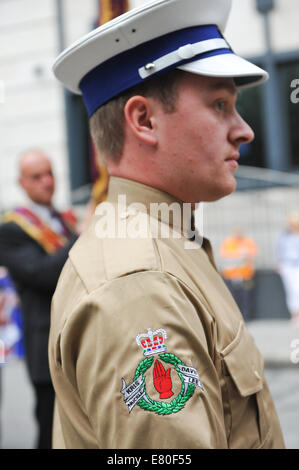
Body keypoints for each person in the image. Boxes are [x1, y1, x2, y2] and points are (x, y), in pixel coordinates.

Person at [49, 0, 285, 449]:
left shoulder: (163, 242)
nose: (245, 130)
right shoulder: (140, 284)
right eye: (220, 104)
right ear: (144, 120)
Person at [0, 149, 78, 449]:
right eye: (37, 176)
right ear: (22, 182)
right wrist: (82, 237)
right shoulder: (10, 229)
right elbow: (42, 274)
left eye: (50, 174)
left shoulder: (63, 219)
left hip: (75, 339)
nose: (47, 182)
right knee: (51, 432)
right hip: (45, 343)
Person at [220, 227, 258, 321]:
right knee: (233, 297)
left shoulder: (248, 242)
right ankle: (235, 318)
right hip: (231, 275)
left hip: (245, 275)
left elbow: (252, 254)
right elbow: (224, 255)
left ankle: (246, 317)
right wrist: (240, 255)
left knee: (246, 297)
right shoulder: (228, 242)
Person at [277, 211, 299, 327]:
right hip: (288, 265)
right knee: (292, 291)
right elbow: (280, 249)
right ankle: (295, 315)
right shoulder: (285, 235)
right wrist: (279, 263)